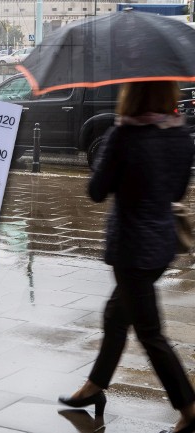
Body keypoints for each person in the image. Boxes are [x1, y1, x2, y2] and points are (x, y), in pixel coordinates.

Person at [58, 81, 195, 433]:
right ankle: (94, 388)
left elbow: (96, 190)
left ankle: (190, 408)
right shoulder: (181, 136)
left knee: (150, 333)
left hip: (132, 248)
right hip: (162, 244)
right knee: (116, 316)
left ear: (132, 95)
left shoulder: (124, 136)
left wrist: (112, 159)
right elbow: (177, 190)